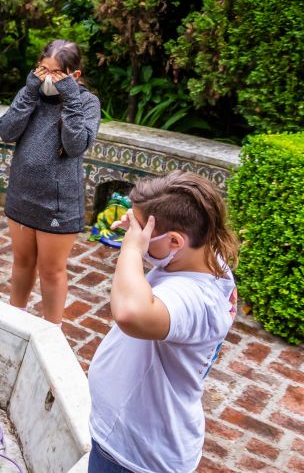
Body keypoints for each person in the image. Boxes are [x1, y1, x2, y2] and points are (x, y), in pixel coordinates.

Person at [88, 171, 239, 473]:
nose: (139, 238)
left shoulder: (199, 299)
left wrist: (130, 249)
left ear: (174, 240)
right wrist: (141, 226)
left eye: (144, 231)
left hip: (136, 456)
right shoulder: (205, 255)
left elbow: (131, 313)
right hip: (127, 439)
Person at [0, 40, 101, 323]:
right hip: (22, 193)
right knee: (22, 262)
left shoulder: (87, 103)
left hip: (57, 203)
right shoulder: (30, 92)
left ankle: (51, 332)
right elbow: (6, 131)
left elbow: (76, 144)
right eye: (42, 69)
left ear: (74, 76)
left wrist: (70, 99)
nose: (46, 77)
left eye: (55, 73)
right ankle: (14, 321)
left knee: (51, 270)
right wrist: (30, 92)